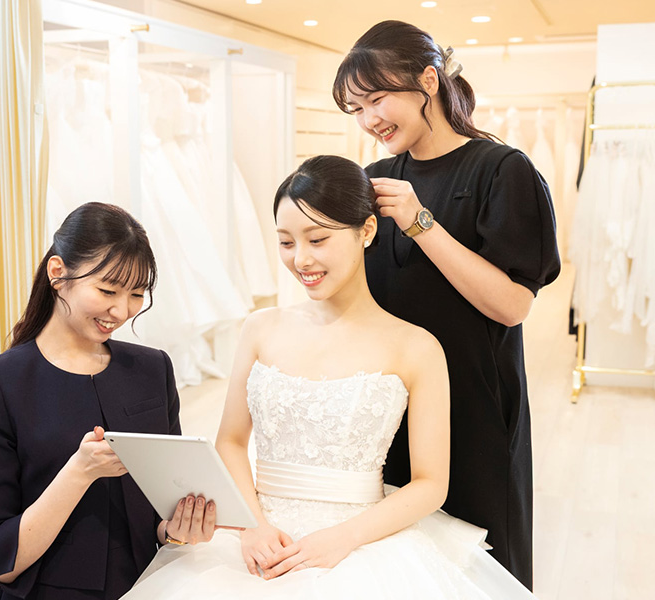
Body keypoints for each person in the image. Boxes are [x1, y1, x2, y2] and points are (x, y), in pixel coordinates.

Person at [119, 156, 537, 599]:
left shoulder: (416, 347)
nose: (301, 259)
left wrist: (343, 538)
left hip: (361, 546)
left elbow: (431, 484)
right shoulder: (260, 328)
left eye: (317, 239)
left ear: (367, 231)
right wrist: (252, 526)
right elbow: (232, 442)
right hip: (257, 539)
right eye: (285, 242)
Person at [331, 20, 561, 589]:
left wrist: (420, 222)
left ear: (428, 82)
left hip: (472, 407)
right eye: (356, 109)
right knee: (396, 569)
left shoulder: (502, 170)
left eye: (377, 99)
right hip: (387, 408)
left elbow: (512, 305)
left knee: (479, 566)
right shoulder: (374, 179)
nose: (369, 120)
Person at [0, 202, 215, 600]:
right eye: (107, 290)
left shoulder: (152, 369)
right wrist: (79, 472)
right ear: (58, 273)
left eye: (136, 294)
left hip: (149, 588)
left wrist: (176, 531)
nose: (121, 311)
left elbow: (159, 517)